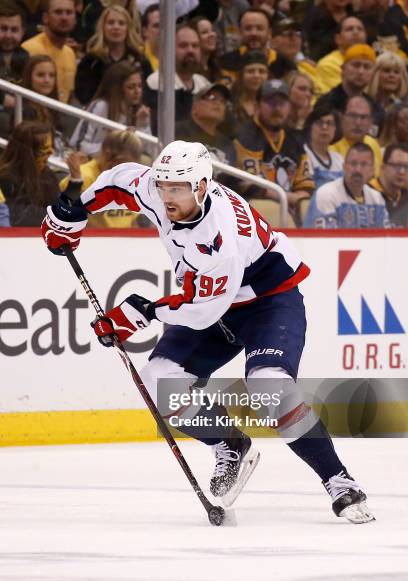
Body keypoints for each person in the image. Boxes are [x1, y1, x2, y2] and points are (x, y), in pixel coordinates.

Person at [41, 139, 375, 524]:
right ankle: (229, 444)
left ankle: (338, 479)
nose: (167, 196)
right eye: (164, 185)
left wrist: (144, 312)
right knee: (160, 377)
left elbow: (203, 310)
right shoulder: (160, 188)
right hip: (212, 299)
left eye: (178, 189)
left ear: (201, 186)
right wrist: (75, 212)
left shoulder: (221, 238)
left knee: (269, 386)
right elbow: (119, 181)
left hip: (267, 301)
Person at [234, 79, 315, 224]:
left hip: (288, 205)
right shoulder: (245, 137)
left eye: (282, 103)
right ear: (257, 106)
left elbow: (305, 185)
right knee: (270, 209)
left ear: (289, 107)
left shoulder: (295, 140)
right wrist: (288, 199)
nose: (277, 108)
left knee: (308, 206)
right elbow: (253, 186)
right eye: (270, 102)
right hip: (253, 207)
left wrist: (296, 200)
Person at [60, 129, 145, 227]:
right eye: (124, 164)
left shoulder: (132, 178)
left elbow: (132, 223)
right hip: (93, 239)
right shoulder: (84, 177)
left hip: (125, 239)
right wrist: (75, 182)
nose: (128, 171)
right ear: (108, 156)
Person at [70, 62, 151, 157]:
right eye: (131, 87)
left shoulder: (140, 111)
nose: (137, 91)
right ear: (117, 89)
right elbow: (78, 144)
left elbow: (147, 151)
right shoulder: (100, 106)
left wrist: (142, 126)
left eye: (139, 86)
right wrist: (114, 145)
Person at [74, 5, 147, 107]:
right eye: (110, 23)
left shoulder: (139, 59)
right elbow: (83, 93)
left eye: (121, 23)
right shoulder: (92, 60)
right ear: (102, 27)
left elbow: (146, 94)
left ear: (128, 28)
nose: (116, 27)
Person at [144, 24, 210, 133]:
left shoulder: (204, 84)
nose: (190, 50)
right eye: (183, 45)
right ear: (169, 49)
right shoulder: (157, 82)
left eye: (195, 46)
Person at [305, 142, 389, 228]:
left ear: (372, 170)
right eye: (353, 163)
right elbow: (327, 239)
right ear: (344, 167)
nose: (358, 170)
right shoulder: (326, 194)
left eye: (364, 165)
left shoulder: (377, 199)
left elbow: (386, 238)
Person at [0, 120, 59, 226]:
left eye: (52, 147)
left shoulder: (49, 176)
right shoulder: (6, 179)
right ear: (27, 153)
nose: (51, 153)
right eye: (45, 150)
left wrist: (75, 181)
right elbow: (18, 217)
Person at [317, 43, 383, 136]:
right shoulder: (326, 104)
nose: (361, 72)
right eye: (356, 65)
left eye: (366, 67)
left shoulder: (376, 109)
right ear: (343, 69)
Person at [219, 8, 294, 86]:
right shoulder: (226, 63)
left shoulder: (286, 66)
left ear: (269, 33)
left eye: (259, 28)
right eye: (248, 28)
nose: (254, 33)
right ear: (240, 32)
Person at [21, 0, 77, 103]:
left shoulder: (70, 53)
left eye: (69, 12)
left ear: (75, 19)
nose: (64, 17)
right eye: (58, 12)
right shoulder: (29, 49)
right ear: (45, 18)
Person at [21, 54, 67, 157]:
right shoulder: (25, 110)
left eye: (52, 75)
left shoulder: (53, 107)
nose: (47, 80)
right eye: (41, 75)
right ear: (29, 77)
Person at [329, 94, 382, 174]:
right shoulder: (331, 152)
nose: (358, 122)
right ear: (342, 118)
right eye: (352, 116)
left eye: (363, 117)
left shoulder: (373, 143)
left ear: (371, 122)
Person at [316, 16, 367, 94]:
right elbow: (345, 94)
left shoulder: (371, 62)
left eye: (360, 29)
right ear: (338, 39)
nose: (356, 32)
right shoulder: (328, 64)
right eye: (349, 29)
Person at [303, 104, 344, 188]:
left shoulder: (339, 159)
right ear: (310, 127)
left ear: (335, 129)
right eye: (319, 122)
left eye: (329, 123)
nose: (324, 127)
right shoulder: (303, 154)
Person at [370, 143, 408, 227]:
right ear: (383, 168)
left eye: (406, 167)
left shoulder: (405, 197)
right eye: (397, 165)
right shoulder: (366, 193)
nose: (402, 172)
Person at [230, 50, 269, 124]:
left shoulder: (273, 103)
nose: (256, 76)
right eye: (250, 71)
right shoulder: (230, 104)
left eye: (261, 71)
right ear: (241, 76)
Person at [0, 2, 29, 83]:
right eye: (3, 28)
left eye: (14, 30)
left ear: (22, 32)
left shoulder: (27, 59)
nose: (8, 35)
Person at [189, 15, 221, 82]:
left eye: (212, 30)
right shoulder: (190, 70)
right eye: (205, 32)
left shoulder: (216, 66)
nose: (212, 34)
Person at [141, 3, 159, 73]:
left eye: (165, 24)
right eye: (156, 26)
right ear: (145, 31)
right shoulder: (137, 58)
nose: (162, 30)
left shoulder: (179, 57)